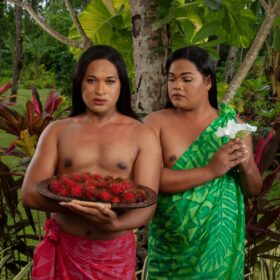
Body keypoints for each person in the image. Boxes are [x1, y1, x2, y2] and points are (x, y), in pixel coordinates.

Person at [22, 45, 161, 280]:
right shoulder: (57, 131)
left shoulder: (143, 135)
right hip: (66, 250)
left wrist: (113, 224)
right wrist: (81, 208)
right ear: (79, 83)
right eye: (91, 80)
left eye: (110, 81)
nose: (100, 90)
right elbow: (30, 194)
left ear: (121, 86)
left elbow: (147, 205)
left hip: (114, 255)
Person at [144, 45, 262, 279]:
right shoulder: (154, 123)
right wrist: (210, 170)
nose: (177, 86)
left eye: (187, 79)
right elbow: (149, 180)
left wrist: (246, 166)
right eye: (172, 79)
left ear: (208, 82)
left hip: (218, 252)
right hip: (171, 251)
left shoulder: (232, 126)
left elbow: (253, 189)